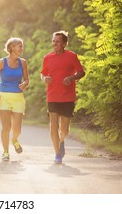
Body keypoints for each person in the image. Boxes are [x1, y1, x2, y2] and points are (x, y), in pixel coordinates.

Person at [40, 30, 85, 164]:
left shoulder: (71, 56)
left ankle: (61, 141)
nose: (54, 43)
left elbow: (82, 72)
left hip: (67, 97)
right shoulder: (47, 58)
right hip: (52, 96)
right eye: (53, 41)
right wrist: (44, 78)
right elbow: (42, 74)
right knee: (53, 125)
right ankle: (57, 154)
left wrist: (72, 77)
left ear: (64, 43)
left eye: (58, 41)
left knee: (64, 130)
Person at [0, 37, 30, 161]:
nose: (22, 48)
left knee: (17, 129)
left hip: (18, 98)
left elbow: (27, 79)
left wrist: (25, 84)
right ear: (11, 48)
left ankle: (14, 140)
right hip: (4, 97)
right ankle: (5, 152)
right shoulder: (1, 62)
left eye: (22, 46)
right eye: (20, 46)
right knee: (6, 127)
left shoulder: (23, 62)